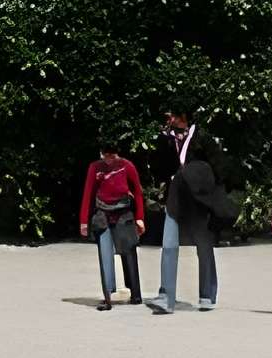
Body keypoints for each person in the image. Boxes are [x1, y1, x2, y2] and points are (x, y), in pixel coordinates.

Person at [149, 111, 229, 313]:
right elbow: (158, 169)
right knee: (168, 244)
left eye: (173, 115)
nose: (170, 119)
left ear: (183, 116)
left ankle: (207, 295)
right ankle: (166, 295)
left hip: (198, 199)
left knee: (204, 246)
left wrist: (211, 196)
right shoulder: (166, 139)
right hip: (175, 195)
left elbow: (219, 170)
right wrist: (164, 144)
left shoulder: (204, 139)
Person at [77, 143, 147, 310]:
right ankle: (108, 294)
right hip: (102, 212)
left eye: (112, 156)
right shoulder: (95, 168)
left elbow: (137, 191)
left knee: (128, 249)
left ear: (118, 154)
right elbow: (88, 192)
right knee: (105, 252)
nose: (108, 160)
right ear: (101, 154)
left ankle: (135, 293)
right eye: (105, 155)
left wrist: (140, 218)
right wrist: (83, 221)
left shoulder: (126, 166)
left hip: (123, 212)